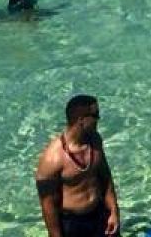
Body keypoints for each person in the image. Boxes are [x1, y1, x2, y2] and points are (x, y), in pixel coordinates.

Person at [35, 94, 120, 237]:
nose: (99, 119)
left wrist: (114, 211)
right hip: (73, 223)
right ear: (81, 120)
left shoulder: (95, 140)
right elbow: (48, 206)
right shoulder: (52, 159)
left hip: (99, 213)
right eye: (95, 115)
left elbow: (105, 177)